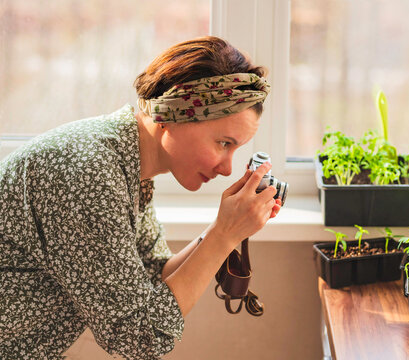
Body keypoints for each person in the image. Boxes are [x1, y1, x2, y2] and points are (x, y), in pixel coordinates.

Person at [0, 36, 282, 359]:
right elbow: (139, 339)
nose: (227, 167)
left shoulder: (128, 164)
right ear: (175, 115)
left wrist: (226, 226)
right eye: (223, 143)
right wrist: (223, 236)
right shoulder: (89, 173)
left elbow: (156, 272)